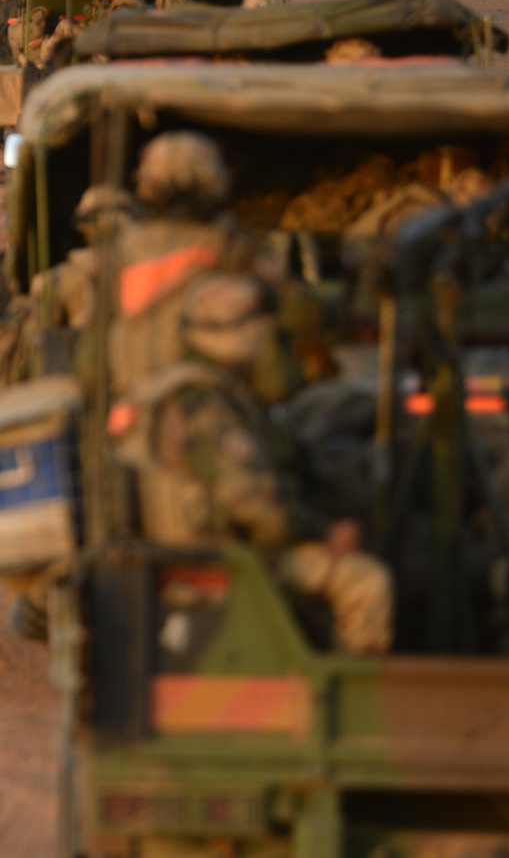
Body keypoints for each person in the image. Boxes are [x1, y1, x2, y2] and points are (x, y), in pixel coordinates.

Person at [105, 132, 393, 655]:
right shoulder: (227, 245)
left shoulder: (118, 253)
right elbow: (298, 312)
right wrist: (344, 313)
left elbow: (88, 356)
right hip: (219, 414)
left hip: (136, 432)